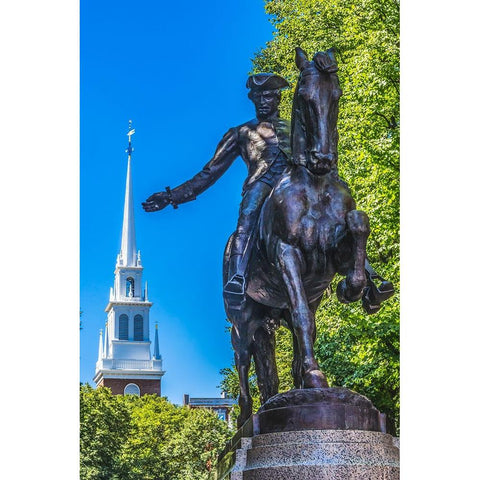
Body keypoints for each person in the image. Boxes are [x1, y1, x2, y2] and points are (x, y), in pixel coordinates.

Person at [142, 73, 290, 296]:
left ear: (277, 99)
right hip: (263, 183)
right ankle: (238, 275)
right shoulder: (240, 133)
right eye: (257, 97)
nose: (262, 102)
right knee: (248, 214)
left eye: (267, 97)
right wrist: (171, 196)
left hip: (294, 184)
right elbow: (210, 172)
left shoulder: (297, 128)